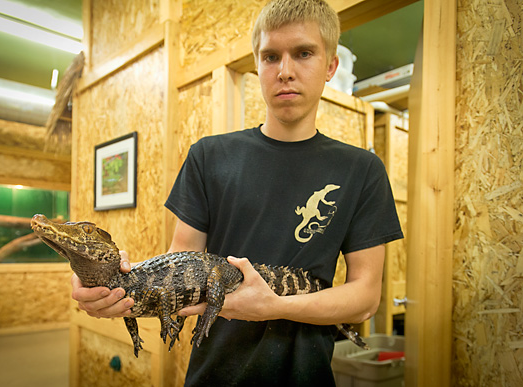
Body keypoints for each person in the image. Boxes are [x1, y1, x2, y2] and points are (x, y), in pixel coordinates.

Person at [72, 0, 403, 385]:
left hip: (304, 374)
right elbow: (182, 264)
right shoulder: (208, 156)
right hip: (214, 372)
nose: (285, 71)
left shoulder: (361, 170)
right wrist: (113, 293)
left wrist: (275, 307)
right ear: (257, 64)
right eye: (270, 56)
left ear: (330, 66)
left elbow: (365, 297)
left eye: (303, 53)